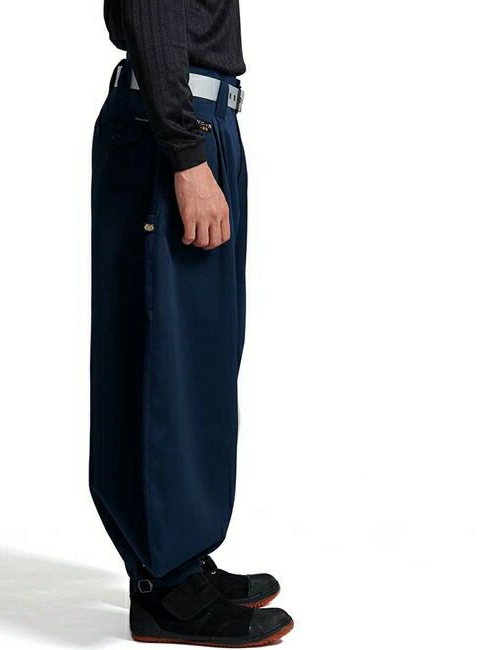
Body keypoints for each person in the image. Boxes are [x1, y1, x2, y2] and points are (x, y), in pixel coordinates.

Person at [89, 1, 294, 645]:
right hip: (173, 125)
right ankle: (167, 588)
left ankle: (182, 556)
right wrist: (184, 152)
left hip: (193, 119)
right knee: (163, 362)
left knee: (200, 355)